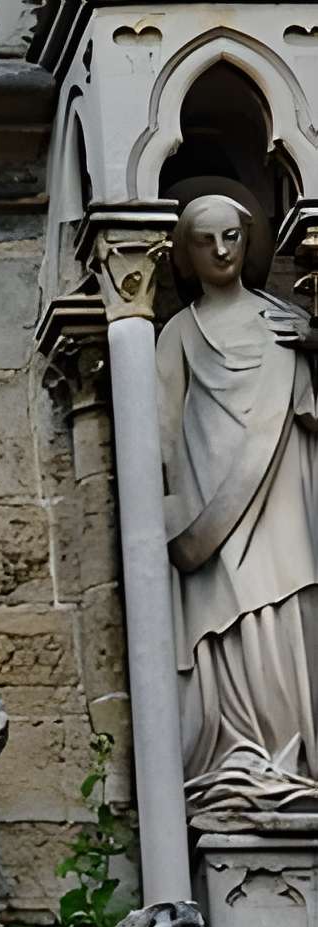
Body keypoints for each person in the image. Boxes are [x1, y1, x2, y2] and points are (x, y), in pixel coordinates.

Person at [160, 190, 318, 809]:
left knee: (292, 611)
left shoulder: (282, 320)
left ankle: (296, 763)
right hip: (212, 513)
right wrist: (168, 517)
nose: (222, 251)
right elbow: (159, 435)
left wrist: (312, 345)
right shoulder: (178, 333)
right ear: (185, 254)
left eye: (232, 236)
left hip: (281, 500)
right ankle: (242, 763)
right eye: (206, 240)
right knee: (232, 629)